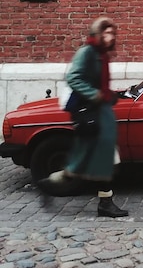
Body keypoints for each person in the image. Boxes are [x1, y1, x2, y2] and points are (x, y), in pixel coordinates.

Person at [39, 16, 128, 218]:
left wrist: (109, 94)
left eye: (112, 33)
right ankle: (102, 202)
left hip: (101, 110)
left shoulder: (101, 54)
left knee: (98, 159)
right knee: (97, 159)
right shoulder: (87, 52)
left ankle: (103, 201)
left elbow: (98, 82)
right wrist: (95, 94)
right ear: (97, 33)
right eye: (106, 32)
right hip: (91, 112)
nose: (110, 36)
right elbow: (73, 77)